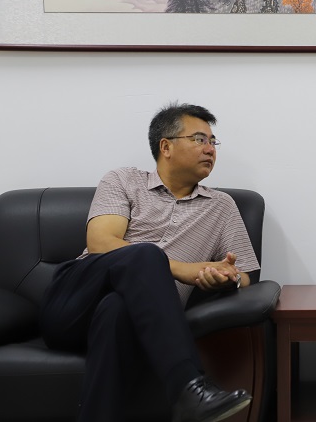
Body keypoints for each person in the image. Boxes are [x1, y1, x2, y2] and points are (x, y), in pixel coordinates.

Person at [40, 102, 261, 422]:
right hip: (73, 303)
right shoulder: (123, 180)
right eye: (199, 139)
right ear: (166, 146)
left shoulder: (222, 206)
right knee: (146, 254)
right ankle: (188, 387)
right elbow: (101, 243)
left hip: (129, 318)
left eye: (213, 142)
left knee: (117, 308)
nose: (210, 149)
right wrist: (185, 271)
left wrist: (227, 279)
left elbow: (246, 274)